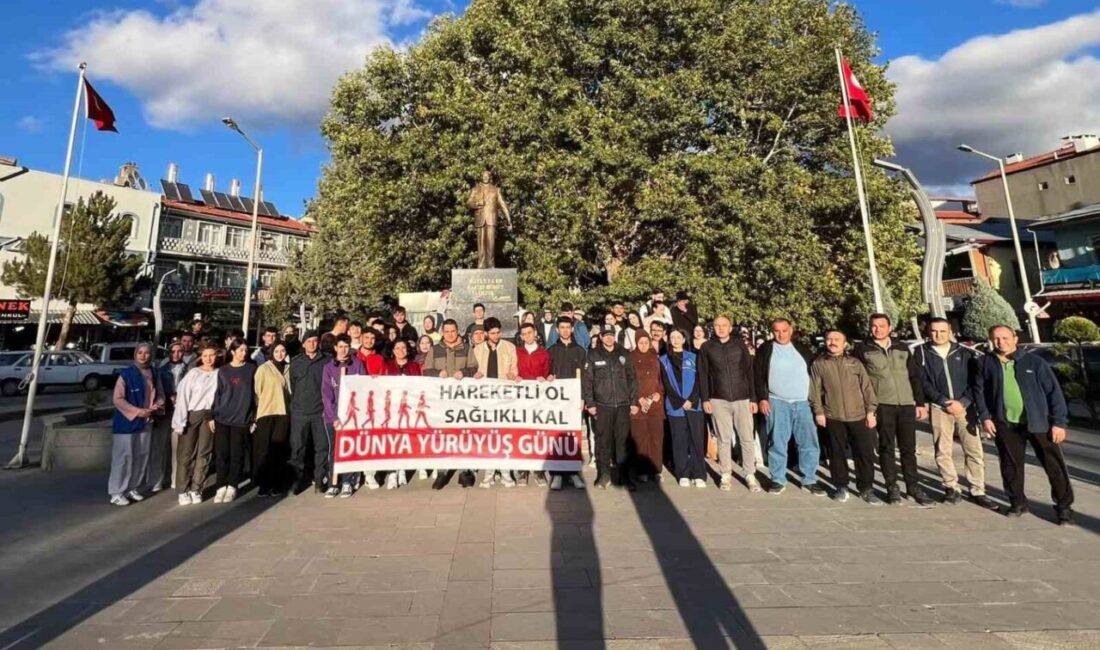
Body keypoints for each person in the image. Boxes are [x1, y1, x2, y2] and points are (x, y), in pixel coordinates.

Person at [974, 325, 1074, 525]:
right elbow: (979, 391)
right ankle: (1017, 502)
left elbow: (1053, 393)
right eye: (996, 338)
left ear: (1015, 338)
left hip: (1039, 422)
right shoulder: (985, 363)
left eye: (1005, 337)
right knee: (1010, 465)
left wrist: (1059, 422)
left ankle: (1064, 506)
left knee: (1053, 465)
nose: (1001, 342)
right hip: (1005, 423)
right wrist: (985, 417)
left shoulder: (1034, 362)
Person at [853, 314, 933, 506]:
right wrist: (868, 408)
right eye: (874, 326)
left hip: (906, 404)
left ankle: (913, 486)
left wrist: (920, 403)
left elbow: (914, 376)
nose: (878, 329)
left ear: (890, 328)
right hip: (882, 405)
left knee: (908, 449)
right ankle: (892, 487)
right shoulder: (862, 349)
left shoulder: (902, 347)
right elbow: (859, 381)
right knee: (886, 447)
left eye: (882, 326)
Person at [917, 317, 995, 508]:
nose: (938, 335)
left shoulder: (965, 352)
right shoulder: (922, 353)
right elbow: (922, 381)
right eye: (934, 331)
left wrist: (964, 402)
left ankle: (978, 489)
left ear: (950, 331)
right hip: (939, 407)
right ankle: (951, 487)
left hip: (965, 408)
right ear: (929, 332)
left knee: (973, 449)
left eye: (943, 331)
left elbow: (975, 382)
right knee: (942, 450)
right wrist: (942, 401)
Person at [753, 319, 824, 496]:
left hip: (803, 403)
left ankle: (809, 479)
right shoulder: (766, 349)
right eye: (776, 331)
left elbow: (815, 373)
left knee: (808, 442)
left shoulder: (802, 349)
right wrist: (762, 398)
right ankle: (778, 479)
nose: (781, 334)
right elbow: (758, 375)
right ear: (772, 332)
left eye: (784, 330)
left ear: (791, 330)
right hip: (777, 402)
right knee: (777, 442)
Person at [809, 330, 879, 504]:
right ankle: (841, 486)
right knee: (836, 453)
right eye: (829, 339)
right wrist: (819, 412)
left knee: (864, 453)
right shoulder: (819, 364)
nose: (832, 342)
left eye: (837, 339)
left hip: (858, 415)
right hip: (833, 416)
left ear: (845, 343)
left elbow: (867, 388)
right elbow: (815, 390)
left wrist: (871, 411)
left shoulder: (855, 363)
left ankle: (866, 488)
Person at [699, 315, 759, 492]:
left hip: (742, 398)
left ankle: (750, 473)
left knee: (746, 438)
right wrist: (705, 398)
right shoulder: (707, 347)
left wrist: (753, 398)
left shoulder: (739, 345)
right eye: (717, 325)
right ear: (713, 328)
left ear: (730, 328)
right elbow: (702, 374)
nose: (721, 328)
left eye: (724, 325)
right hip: (718, 399)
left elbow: (750, 372)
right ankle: (725, 473)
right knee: (723, 439)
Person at [422, 319, 478, 489]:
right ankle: (442, 472)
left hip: (462, 401)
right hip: (442, 401)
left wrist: (465, 372)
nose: (450, 334)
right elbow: (426, 371)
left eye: (453, 331)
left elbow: (474, 367)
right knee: (442, 436)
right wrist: (437, 373)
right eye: (447, 331)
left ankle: (464, 472)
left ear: (458, 330)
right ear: (442, 332)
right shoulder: (435, 350)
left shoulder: (466, 348)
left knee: (463, 435)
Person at [583, 325, 639, 490]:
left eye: (611, 335)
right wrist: (590, 403)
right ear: (601, 337)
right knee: (603, 441)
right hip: (602, 405)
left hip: (622, 405)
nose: (609, 338)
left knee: (623, 442)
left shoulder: (624, 353)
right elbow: (587, 381)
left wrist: (633, 401)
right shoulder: (593, 354)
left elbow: (632, 378)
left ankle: (624, 477)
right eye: (605, 335)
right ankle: (604, 475)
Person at [108, 343, 165, 506]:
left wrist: (156, 406)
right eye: (140, 352)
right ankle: (117, 492)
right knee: (124, 458)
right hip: (126, 423)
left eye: (147, 353)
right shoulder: (126, 374)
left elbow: (160, 394)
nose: (143, 356)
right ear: (135, 355)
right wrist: (138, 411)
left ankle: (132, 488)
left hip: (146, 422)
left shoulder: (154, 373)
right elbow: (118, 399)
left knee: (141, 456)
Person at [473, 317, 519, 488]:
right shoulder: (478, 350)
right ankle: (489, 472)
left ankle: (505, 472)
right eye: (492, 333)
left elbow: (514, 368)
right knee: (488, 436)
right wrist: (475, 375)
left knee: (504, 435)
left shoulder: (509, 347)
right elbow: (474, 370)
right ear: (486, 334)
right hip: (485, 398)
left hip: (504, 398)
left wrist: (513, 375)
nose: (496, 336)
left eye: (498, 332)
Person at [172, 342, 219, 505]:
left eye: (212, 355)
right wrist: (180, 421)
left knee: (204, 453)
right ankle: (182, 490)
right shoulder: (193, 373)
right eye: (205, 355)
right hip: (192, 415)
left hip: (209, 416)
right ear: (201, 357)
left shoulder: (219, 374)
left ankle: (196, 488)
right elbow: (183, 397)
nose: (209, 359)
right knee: (186, 454)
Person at [659, 329, 706, 488]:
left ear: (684, 339)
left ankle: (698, 474)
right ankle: (683, 473)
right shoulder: (663, 360)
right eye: (672, 337)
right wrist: (680, 401)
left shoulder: (694, 357)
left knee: (696, 440)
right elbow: (666, 384)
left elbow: (699, 380)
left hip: (694, 404)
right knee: (679, 441)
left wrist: (692, 399)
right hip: (675, 406)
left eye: (678, 337)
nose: (675, 340)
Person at [211, 340, 256, 504]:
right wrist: (212, 415)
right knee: (222, 454)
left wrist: (253, 417)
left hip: (241, 419)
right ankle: (220, 486)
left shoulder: (252, 369)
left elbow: (255, 394)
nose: (244, 353)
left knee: (237, 454)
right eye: (240, 350)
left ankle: (232, 485)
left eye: (246, 350)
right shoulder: (223, 370)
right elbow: (218, 393)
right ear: (232, 352)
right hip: (222, 417)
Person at [322, 334, 367, 498]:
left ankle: (348, 481)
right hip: (333, 418)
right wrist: (334, 418)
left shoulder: (357, 364)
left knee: (348, 448)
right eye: (340, 347)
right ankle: (334, 483)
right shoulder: (328, 368)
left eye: (346, 347)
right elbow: (326, 394)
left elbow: (363, 388)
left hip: (351, 416)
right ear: (335, 348)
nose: (343, 350)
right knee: (334, 450)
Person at [547, 316, 588, 489]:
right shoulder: (551, 351)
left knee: (572, 438)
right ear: (557, 330)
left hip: (574, 400)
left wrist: (583, 397)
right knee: (556, 437)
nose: (565, 330)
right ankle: (557, 474)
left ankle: (573, 473)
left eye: (567, 327)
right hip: (556, 401)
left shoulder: (580, 351)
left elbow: (585, 378)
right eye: (561, 327)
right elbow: (546, 373)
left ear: (572, 329)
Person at [289, 330, 330, 494]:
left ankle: (320, 479)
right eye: (309, 341)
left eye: (315, 341)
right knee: (297, 448)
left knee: (322, 447)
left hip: (320, 412)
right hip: (300, 412)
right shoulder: (296, 362)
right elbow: (293, 386)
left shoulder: (327, 361)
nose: (312, 344)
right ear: (303, 343)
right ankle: (296, 481)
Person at [254, 342, 291, 497]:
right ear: (272, 352)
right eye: (277, 351)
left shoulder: (289, 368)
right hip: (266, 412)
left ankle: (276, 484)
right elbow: (257, 390)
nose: (280, 354)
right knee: (263, 450)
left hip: (283, 413)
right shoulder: (263, 369)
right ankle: (263, 484)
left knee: (278, 451)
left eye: (283, 351)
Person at [629, 329, 664, 482]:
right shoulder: (631, 358)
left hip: (655, 404)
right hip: (638, 405)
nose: (643, 345)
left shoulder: (655, 357)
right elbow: (627, 381)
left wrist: (659, 394)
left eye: (645, 342)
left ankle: (656, 469)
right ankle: (642, 470)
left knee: (656, 438)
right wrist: (637, 398)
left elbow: (661, 380)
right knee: (640, 438)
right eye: (640, 343)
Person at [153, 342, 188, 492]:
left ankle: (175, 478)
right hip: (165, 412)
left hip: (181, 412)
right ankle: (158, 479)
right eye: (173, 351)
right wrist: (169, 398)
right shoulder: (161, 371)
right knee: (161, 447)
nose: (176, 354)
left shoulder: (189, 370)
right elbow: (156, 391)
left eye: (179, 351)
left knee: (178, 447)